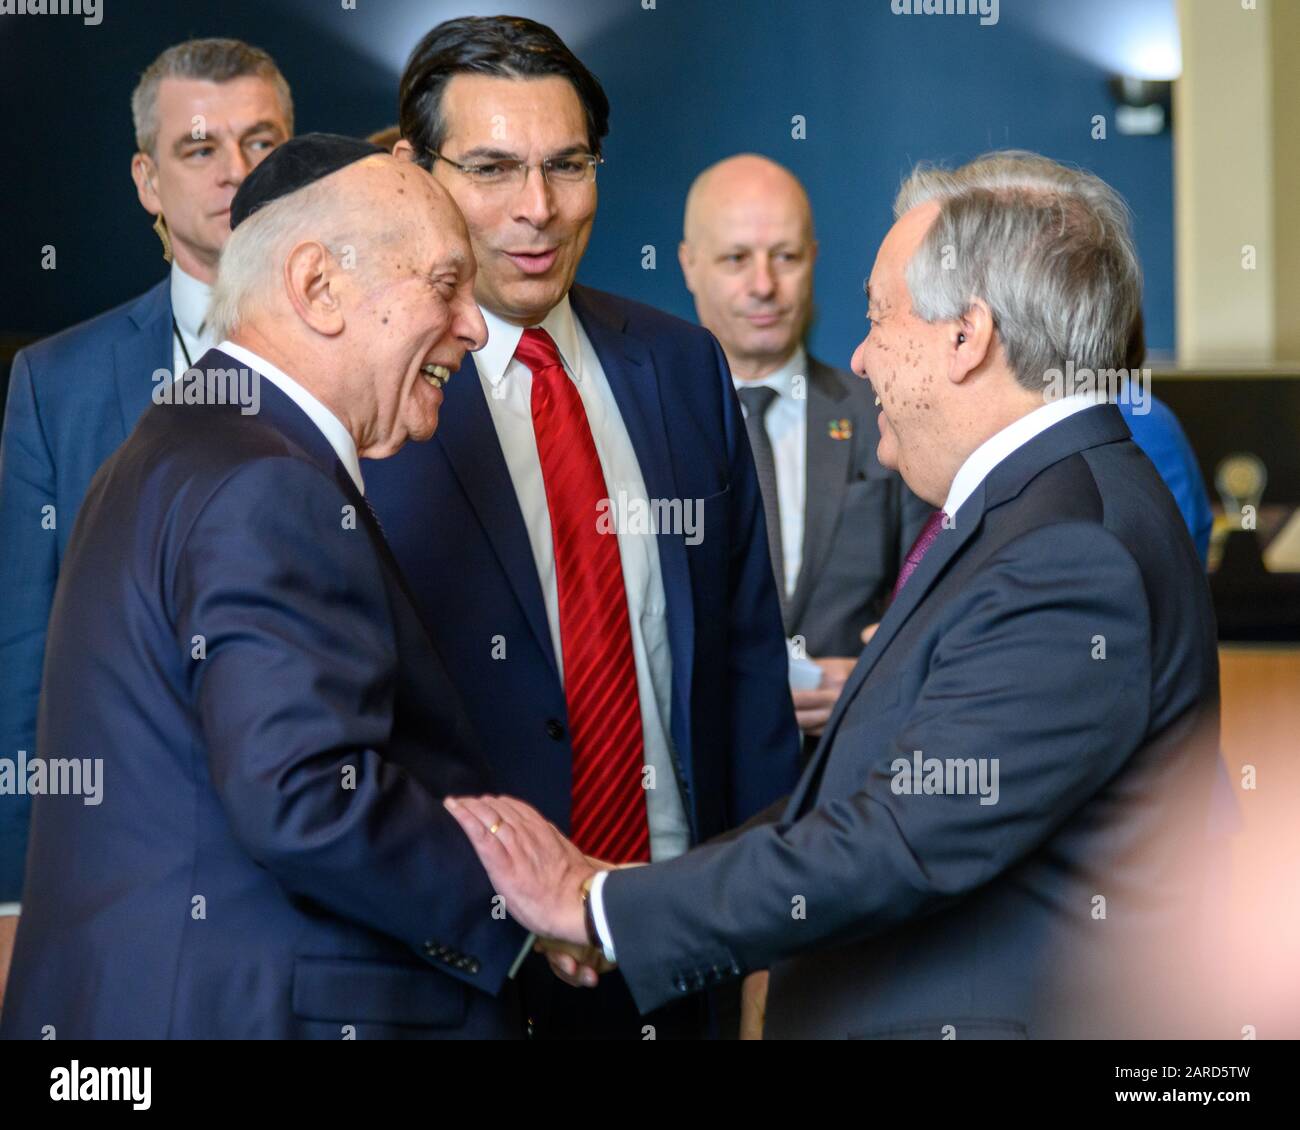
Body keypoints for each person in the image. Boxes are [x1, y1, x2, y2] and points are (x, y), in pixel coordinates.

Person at [443, 151, 1223, 1039]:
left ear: (966, 338)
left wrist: (600, 908)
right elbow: (858, 794)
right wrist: (619, 888)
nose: (857, 355)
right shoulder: (1047, 506)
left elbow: (902, 836)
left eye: (878, 318)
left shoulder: (1068, 549)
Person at [0, 135, 531, 1039]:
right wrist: (523, 900)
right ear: (318, 286)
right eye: (447, 284)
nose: (475, 325)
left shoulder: (182, 442)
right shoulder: (266, 481)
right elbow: (300, 791)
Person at [366, 15, 801, 1038]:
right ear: (411, 170)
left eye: (567, 165)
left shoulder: (681, 365)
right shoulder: (367, 394)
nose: (538, 208)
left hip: (679, 944)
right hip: (463, 967)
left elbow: (744, 670)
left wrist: (773, 927)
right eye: (491, 167)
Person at [0, 37, 292, 1006]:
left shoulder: (382, 351)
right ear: (147, 181)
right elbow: (24, 654)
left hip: (323, 885)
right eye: (199, 147)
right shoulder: (56, 384)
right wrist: (9, 898)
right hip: (121, 886)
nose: (236, 171)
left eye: (261, 141)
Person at [679, 154, 929, 739]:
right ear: (690, 265)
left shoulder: (887, 413)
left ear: (813, 259)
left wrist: (878, 674)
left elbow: (937, 594)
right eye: (736, 259)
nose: (763, 286)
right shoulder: (646, 424)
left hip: (853, 764)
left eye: (785, 257)